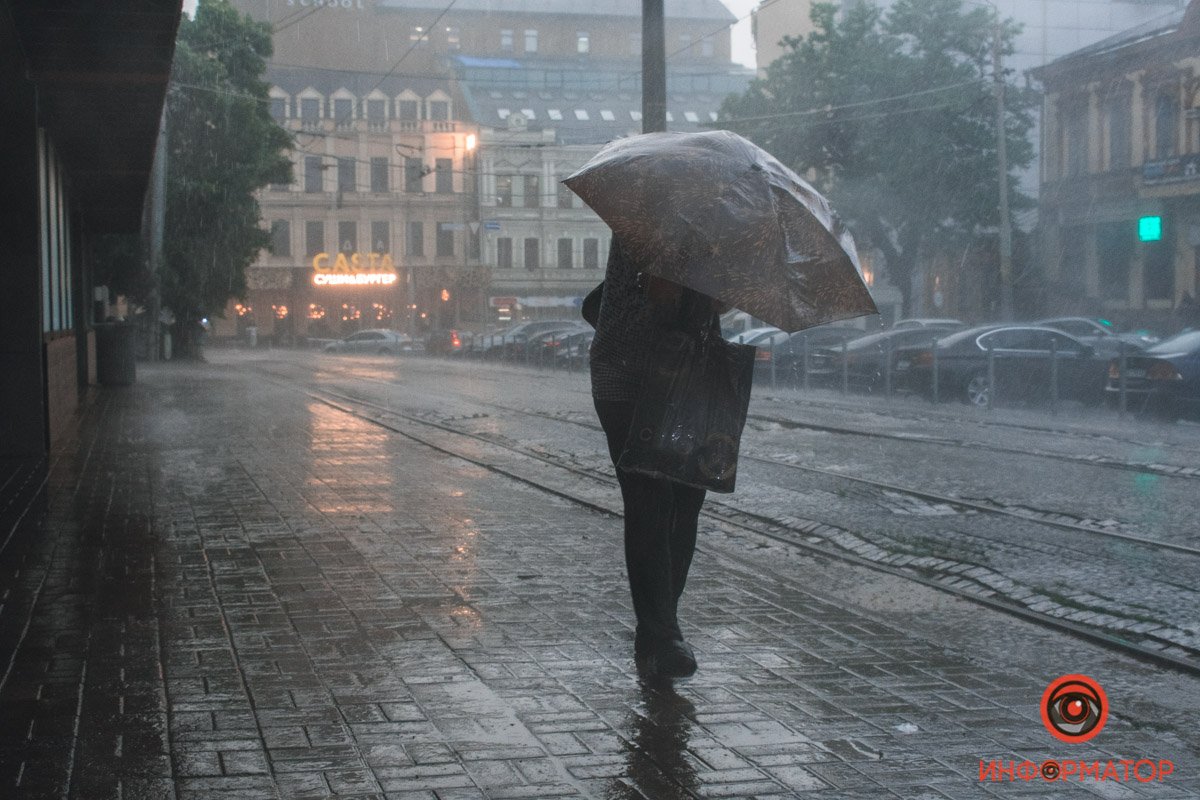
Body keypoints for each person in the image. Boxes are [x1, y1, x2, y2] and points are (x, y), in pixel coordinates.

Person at [589, 236, 724, 679]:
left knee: (685, 499)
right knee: (652, 500)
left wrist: (716, 295)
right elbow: (660, 301)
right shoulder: (652, 217)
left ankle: (659, 631)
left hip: (685, 378)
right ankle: (662, 636)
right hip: (631, 377)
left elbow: (599, 303)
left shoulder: (713, 228)